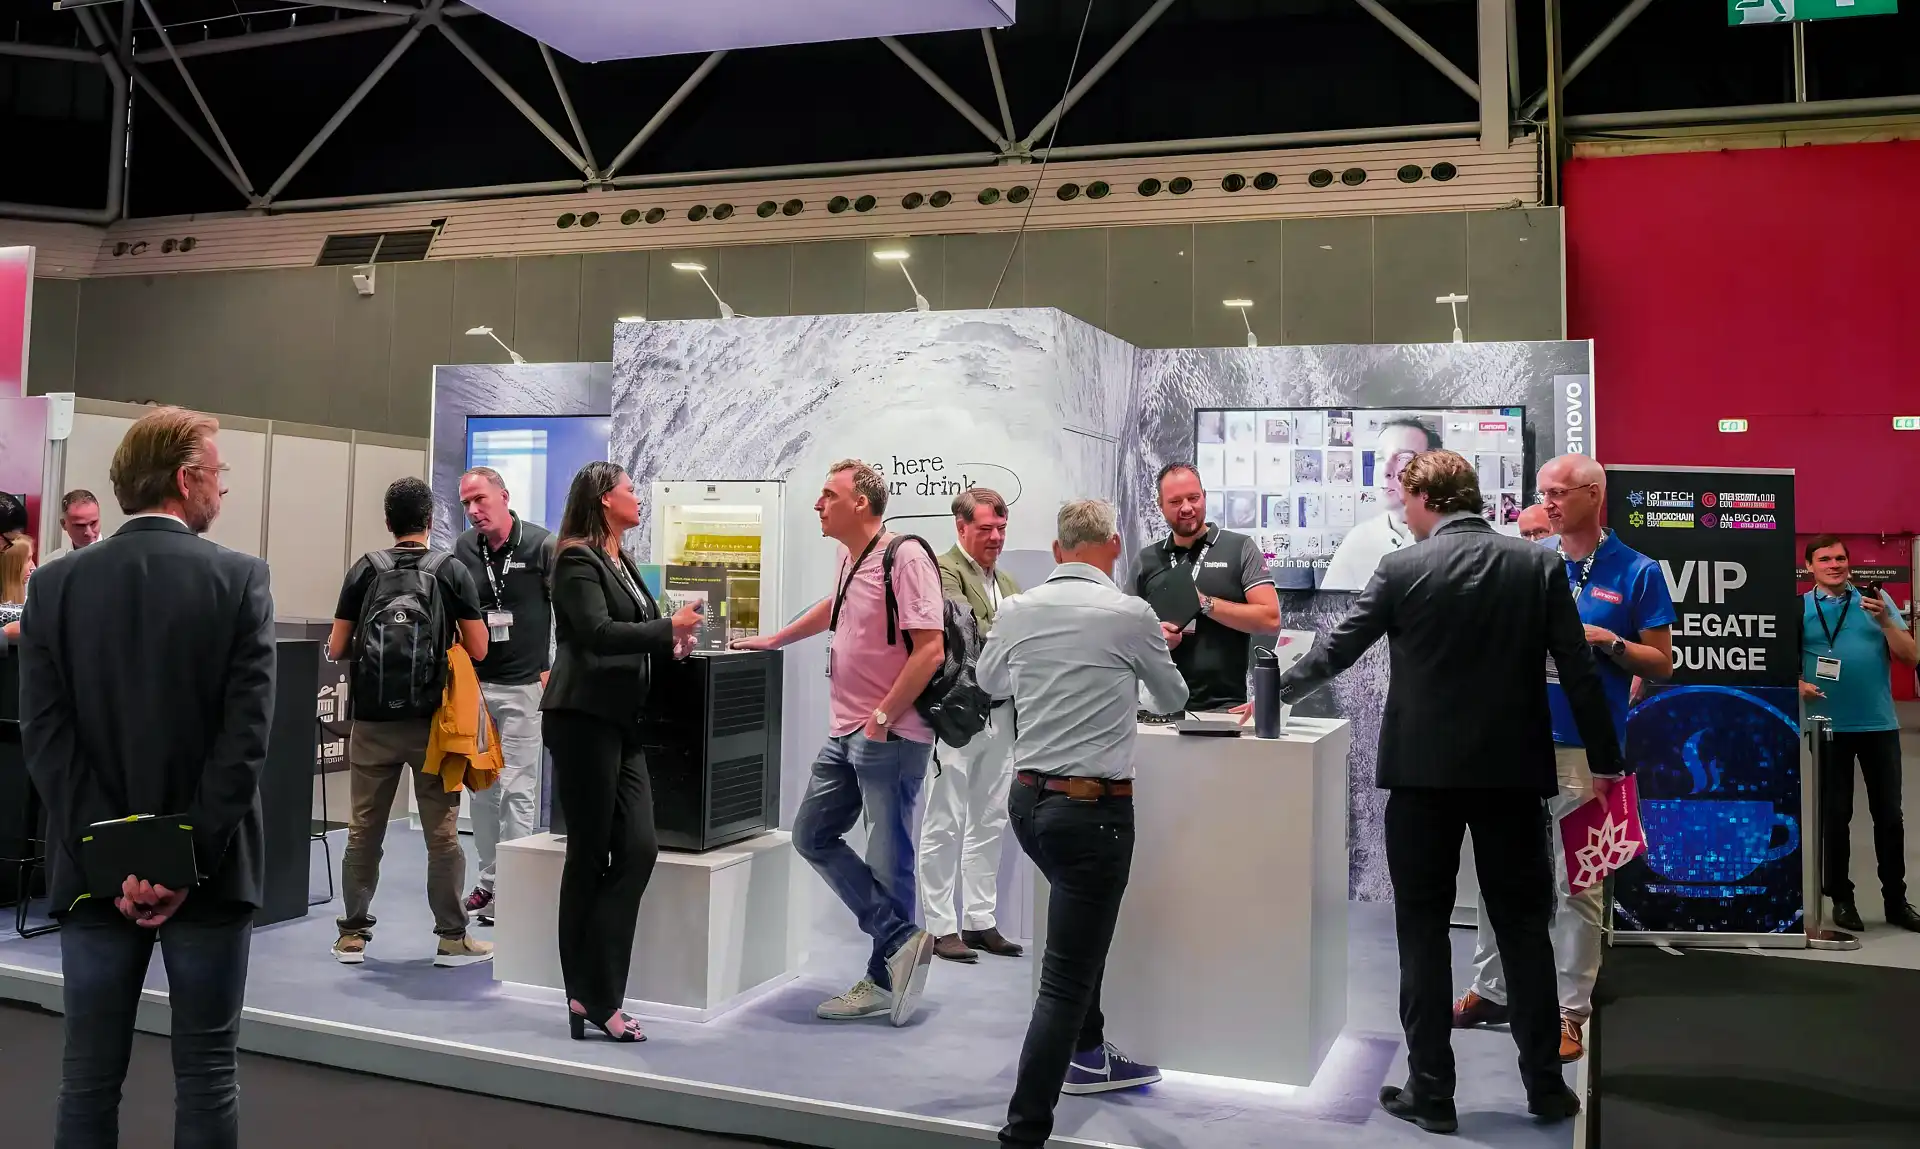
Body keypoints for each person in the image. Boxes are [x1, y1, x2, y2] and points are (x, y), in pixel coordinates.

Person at [1277, 450, 1615, 1132]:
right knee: (1525, 930)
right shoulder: (1537, 566)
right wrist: (1607, 759)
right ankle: (1546, 1088)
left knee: (1423, 933)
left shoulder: (1401, 568)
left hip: (1421, 779)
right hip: (1513, 775)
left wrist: (1266, 694)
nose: (1402, 513)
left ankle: (1431, 1091)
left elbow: (1336, 651)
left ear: (1425, 498)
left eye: (1405, 501)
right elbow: (1577, 670)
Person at [20, 407, 276, 1148]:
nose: (222, 488)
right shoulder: (240, 579)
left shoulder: (54, 587)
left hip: (92, 875)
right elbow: (245, 741)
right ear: (186, 479)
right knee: (207, 1078)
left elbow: (47, 740)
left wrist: (115, 860)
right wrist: (181, 859)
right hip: (212, 872)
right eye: (218, 473)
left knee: (87, 1079)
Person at [979, 498, 1188, 1147]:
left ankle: (1091, 1052)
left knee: (1075, 937)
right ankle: (1023, 1132)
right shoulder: (1131, 614)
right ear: (1114, 545)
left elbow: (990, 681)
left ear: (1056, 549)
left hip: (1028, 804)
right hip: (1094, 813)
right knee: (1064, 982)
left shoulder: (1017, 609)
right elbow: (1174, 697)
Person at [1454, 454, 1675, 1062]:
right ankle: (1492, 988)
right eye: (1542, 492)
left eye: (1558, 492)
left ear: (1593, 494)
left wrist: (1611, 642)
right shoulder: (1530, 560)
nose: (1546, 503)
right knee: (1499, 872)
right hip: (1513, 741)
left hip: (1587, 749)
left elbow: (1662, 663)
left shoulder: (1637, 571)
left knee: (1579, 880)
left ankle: (1570, 1009)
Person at [733, 460, 943, 1025]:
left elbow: (930, 649)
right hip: (848, 729)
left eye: (829, 495)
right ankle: (899, 939)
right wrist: (778, 638)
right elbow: (837, 605)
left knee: (889, 857)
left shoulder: (906, 556)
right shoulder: (851, 556)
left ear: (861, 503)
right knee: (812, 834)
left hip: (889, 732)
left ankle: (883, 979)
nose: (818, 504)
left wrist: (883, 715)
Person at [542, 462, 702, 1043]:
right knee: (588, 857)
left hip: (620, 722)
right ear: (605, 499)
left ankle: (593, 988)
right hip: (583, 720)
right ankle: (591, 995)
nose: (638, 497)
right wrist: (665, 630)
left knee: (638, 849)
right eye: (630, 489)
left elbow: (637, 630)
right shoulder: (575, 559)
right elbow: (596, 633)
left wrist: (672, 643)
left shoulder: (621, 560)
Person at [328, 477, 492, 968]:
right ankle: (451, 938)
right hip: (432, 726)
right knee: (441, 834)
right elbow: (480, 648)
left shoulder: (365, 569)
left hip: (372, 724)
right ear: (430, 521)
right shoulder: (451, 570)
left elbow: (337, 646)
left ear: (388, 522)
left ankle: (352, 936)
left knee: (363, 830)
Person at [920, 488, 1024, 963]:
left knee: (990, 819)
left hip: (1002, 712)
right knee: (944, 820)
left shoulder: (1008, 580)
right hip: (958, 716)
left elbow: (1012, 636)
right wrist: (1013, 627)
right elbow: (967, 630)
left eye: (1001, 528)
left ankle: (980, 921)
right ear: (961, 527)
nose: (996, 537)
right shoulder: (942, 570)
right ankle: (940, 926)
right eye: (985, 529)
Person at [1800, 534, 1920, 934]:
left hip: (1878, 725)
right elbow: (1781, 660)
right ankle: (1841, 897)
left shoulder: (1876, 602)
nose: (1834, 565)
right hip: (1827, 727)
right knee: (1835, 816)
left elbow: (1911, 656)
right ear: (1810, 567)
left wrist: (1885, 621)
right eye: (1825, 559)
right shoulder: (1800, 608)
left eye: (1840, 558)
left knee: (1889, 816)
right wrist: (1797, 682)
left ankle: (1896, 901)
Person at [452, 466, 556, 926]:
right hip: (476, 688)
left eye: (480, 499)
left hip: (523, 687)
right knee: (482, 792)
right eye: (466, 503)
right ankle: (490, 881)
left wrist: (553, 668)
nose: (474, 510)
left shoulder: (540, 545)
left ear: (504, 497)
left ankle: (517, 886)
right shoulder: (463, 549)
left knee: (517, 789)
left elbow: (566, 608)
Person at [1126, 463, 1279, 713]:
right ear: (1160, 505)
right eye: (1175, 501)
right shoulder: (1146, 560)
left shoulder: (1240, 548)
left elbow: (1270, 619)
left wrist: (1205, 603)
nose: (1187, 508)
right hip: (1156, 710)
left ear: (1204, 496)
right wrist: (1154, 639)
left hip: (1224, 709)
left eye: (1193, 498)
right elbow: (1123, 634)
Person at [1321, 418, 1441, 590]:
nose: (1385, 471)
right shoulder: (1358, 539)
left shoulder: (1456, 540)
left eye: (1403, 459)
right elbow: (1329, 604)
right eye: (1379, 458)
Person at [42, 489, 104, 563]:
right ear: (63, 524)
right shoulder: (52, 563)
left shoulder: (116, 556)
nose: (88, 532)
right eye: (80, 526)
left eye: (93, 523)